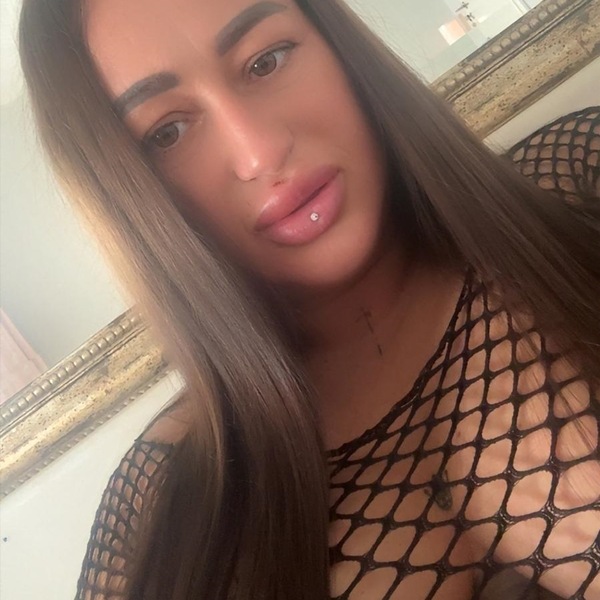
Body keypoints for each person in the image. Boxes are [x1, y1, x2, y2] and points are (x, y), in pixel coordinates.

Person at [17, 0, 599, 598]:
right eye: (167, 133)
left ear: (336, 44)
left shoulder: (583, 180)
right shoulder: (157, 507)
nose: (260, 151)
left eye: (266, 61)